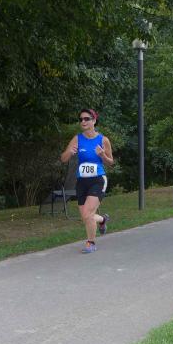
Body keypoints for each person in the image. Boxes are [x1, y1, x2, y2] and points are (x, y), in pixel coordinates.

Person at [60, 108, 114, 253]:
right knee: (85, 216)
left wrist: (102, 155)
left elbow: (111, 162)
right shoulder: (77, 139)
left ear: (94, 121)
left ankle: (91, 243)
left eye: (86, 119)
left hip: (98, 180)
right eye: (81, 119)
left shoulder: (103, 140)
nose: (83, 121)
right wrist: (69, 152)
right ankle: (102, 220)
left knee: (88, 214)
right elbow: (63, 159)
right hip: (82, 182)